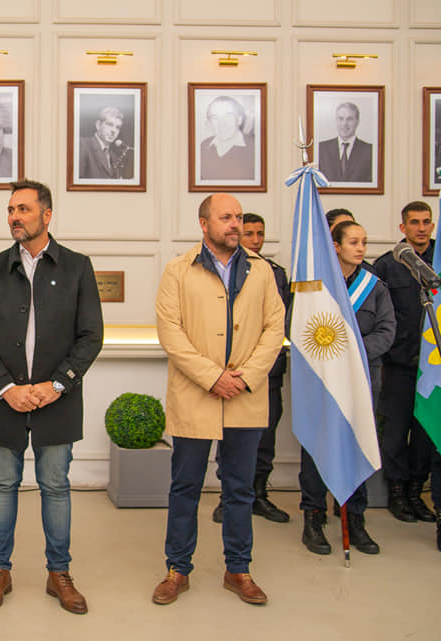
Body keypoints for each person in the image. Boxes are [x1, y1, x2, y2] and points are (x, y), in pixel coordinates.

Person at [0, 179, 103, 614]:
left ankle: (58, 573)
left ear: (47, 215)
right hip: (3, 398)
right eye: (10, 210)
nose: (14, 217)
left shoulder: (78, 267)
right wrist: (7, 388)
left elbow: (90, 336)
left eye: (23, 209)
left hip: (57, 398)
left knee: (56, 485)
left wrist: (56, 384)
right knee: (3, 483)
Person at [152, 193, 284, 606]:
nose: (236, 224)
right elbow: (170, 333)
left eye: (239, 217)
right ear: (204, 224)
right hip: (196, 394)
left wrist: (243, 379)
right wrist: (213, 377)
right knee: (185, 486)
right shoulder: (178, 270)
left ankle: (238, 570)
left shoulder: (262, 271)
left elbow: (274, 327)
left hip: (245, 394)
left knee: (240, 489)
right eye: (226, 217)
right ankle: (177, 569)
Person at [299, 221, 394, 556]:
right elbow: (293, 324)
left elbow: (387, 329)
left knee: (357, 444)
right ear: (335, 246)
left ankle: (356, 518)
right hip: (322, 379)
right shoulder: (314, 286)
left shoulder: (375, 286)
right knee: (317, 445)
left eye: (364, 242)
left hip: (363, 379)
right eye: (353, 242)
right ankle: (313, 517)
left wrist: (352, 352)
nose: (360, 248)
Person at [212, 213, 290, 525]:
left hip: (265, 374)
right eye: (249, 234)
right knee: (228, 439)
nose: (255, 240)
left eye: (260, 234)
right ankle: (226, 497)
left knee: (265, 439)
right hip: (230, 375)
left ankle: (258, 494)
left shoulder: (274, 273)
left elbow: (279, 323)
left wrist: (257, 367)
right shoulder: (221, 270)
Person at [372, 201, 438, 523]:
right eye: (414, 222)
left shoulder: (438, 260)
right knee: (395, 432)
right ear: (403, 228)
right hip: (398, 365)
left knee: (426, 432)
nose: (421, 228)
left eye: (427, 222)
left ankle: (416, 490)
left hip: (433, 367)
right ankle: (397, 491)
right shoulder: (387, 265)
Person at [198, 96, 255, 181]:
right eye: (215, 118)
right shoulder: (202, 147)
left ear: (239, 119)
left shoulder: (256, 149)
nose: (222, 124)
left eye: (228, 116)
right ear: (209, 123)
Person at [317, 102, 373, 183]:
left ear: (357, 121)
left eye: (349, 119)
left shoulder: (370, 151)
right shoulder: (321, 149)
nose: (344, 123)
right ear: (336, 120)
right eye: (341, 118)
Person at [77, 106, 133, 180]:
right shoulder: (82, 144)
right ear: (98, 125)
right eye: (110, 124)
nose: (114, 131)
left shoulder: (115, 157)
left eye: (118, 127)